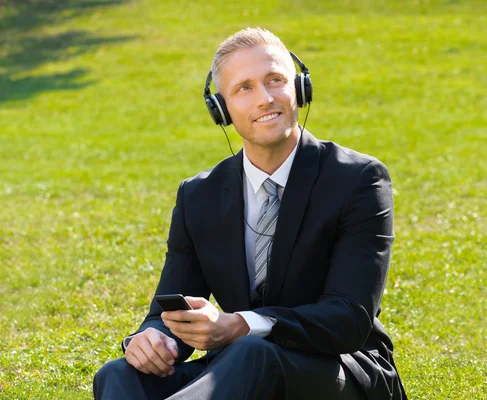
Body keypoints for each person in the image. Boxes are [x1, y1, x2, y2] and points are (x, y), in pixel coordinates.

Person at [94, 27, 407, 400]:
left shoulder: (358, 179)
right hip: (239, 370)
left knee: (251, 351)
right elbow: (170, 308)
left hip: (344, 370)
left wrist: (242, 325)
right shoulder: (199, 195)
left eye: (275, 80)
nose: (265, 98)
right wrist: (150, 340)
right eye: (244, 88)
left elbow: (349, 319)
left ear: (299, 87)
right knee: (119, 375)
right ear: (221, 109)